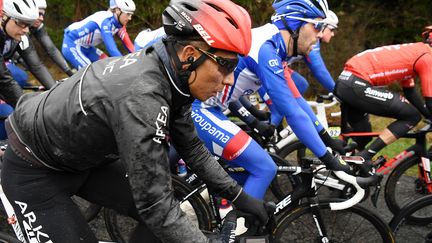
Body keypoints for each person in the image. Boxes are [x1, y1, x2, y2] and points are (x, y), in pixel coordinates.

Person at [1, 0, 270, 242]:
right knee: (162, 215)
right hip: (33, 170)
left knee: (165, 220)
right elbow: (156, 206)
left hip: (81, 160)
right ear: (190, 54)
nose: (230, 80)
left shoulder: (172, 74)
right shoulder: (143, 96)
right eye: (226, 65)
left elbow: (193, 149)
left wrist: (240, 197)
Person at [191, 0, 351, 200]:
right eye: (317, 25)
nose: (320, 34)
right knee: (264, 168)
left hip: (209, 109)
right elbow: (292, 113)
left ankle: (198, 202)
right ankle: (235, 226)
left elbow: (297, 101)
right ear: (295, 23)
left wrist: (327, 140)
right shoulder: (265, 49)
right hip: (199, 109)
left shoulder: (275, 48)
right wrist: (327, 158)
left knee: (250, 168)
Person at [333, 26, 432, 174]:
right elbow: (430, 100)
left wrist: (429, 115)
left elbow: (410, 92)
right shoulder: (427, 57)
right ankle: (366, 157)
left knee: (363, 136)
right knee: (412, 116)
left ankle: (346, 177)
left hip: (347, 82)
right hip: (356, 84)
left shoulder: (414, 52)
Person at [62, 0, 135, 70]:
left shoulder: (119, 24)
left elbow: (129, 46)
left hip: (87, 47)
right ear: (117, 10)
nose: (130, 18)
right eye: (128, 14)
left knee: (109, 65)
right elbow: (111, 48)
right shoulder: (105, 21)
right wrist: (124, 65)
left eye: (131, 14)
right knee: (89, 73)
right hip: (71, 44)